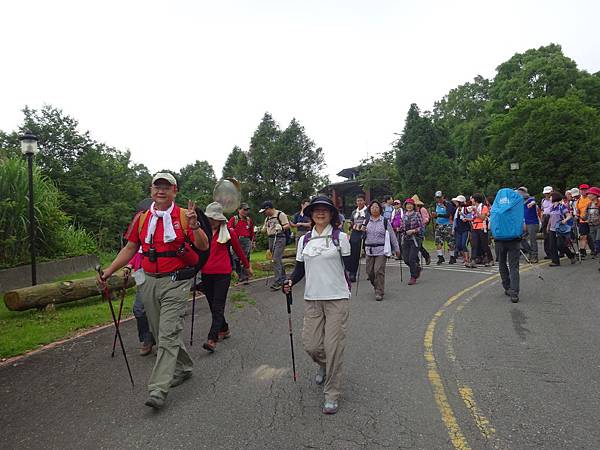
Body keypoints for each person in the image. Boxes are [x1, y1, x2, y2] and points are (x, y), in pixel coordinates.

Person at [98, 172, 210, 409]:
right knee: (161, 333)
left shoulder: (183, 215)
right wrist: (109, 271)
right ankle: (185, 366)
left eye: (166, 187)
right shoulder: (142, 218)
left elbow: (203, 246)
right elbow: (130, 248)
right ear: (151, 191)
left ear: (174, 191)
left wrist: (195, 225)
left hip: (175, 281)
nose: (161, 191)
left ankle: (158, 389)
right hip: (147, 281)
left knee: (168, 333)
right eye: (157, 187)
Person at [283, 196, 351, 415]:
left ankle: (331, 393)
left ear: (332, 214)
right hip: (312, 299)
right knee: (311, 345)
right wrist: (291, 280)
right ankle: (323, 364)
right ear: (310, 215)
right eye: (316, 210)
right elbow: (300, 269)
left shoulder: (341, 237)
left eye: (325, 210)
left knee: (333, 347)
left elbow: (350, 267)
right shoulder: (304, 241)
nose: (320, 213)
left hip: (337, 298)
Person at [201, 202, 253, 352]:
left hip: (223, 273)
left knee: (218, 305)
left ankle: (212, 339)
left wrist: (247, 266)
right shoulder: (202, 233)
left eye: (214, 218)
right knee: (212, 305)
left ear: (220, 220)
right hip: (206, 273)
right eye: (209, 218)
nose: (211, 221)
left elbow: (238, 250)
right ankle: (224, 328)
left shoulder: (228, 232)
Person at [490, 189, 525, 303]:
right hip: (514, 239)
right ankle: (514, 292)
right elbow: (522, 225)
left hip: (499, 240)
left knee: (502, 263)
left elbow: (491, 224)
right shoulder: (516, 204)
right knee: (514, 266)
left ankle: (507, 287)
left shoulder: (495, 207)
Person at [363, 200, 400, 300]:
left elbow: (392, 235)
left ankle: (379, 291)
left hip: (381, 250)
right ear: (369, 209)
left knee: (378, 270)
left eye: (376, 207)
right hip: (369, 249)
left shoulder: (384, 221)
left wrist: (397, 248)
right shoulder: (366, 221)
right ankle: (376, 285)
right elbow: (361, 234)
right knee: (369, 272)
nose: (374, 209)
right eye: (372, 207)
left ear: (380, 209)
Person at [260, 200, 290, 291]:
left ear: (268, 208)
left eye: (265, 211)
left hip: (279, 238)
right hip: (271, 238)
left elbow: (287, 225)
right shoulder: (267, 218)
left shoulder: (280, 214)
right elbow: (265, 228)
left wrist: (281, 227)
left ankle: (278, 281)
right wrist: (261, 230)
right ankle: (284, 278)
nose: (264, 213)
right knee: (277, 260)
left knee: (275, 259)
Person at [227, 203, 255, 285]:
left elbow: (251, 232)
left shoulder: (249, 220)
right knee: (236, 258)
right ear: (239, 210)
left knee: (246, 258)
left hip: (246, 240)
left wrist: (253, 242)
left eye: (247, 210)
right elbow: (229, 229)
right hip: (237, 240)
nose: (246, 211)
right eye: (244, 209)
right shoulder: (234, 219)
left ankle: (245, 276)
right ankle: (240, 275)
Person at [398, 198, 424, 285]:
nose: (409, 206)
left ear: (413, 206)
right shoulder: (404, 215)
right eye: (407, 204)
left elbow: (422, 227)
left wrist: (414, 231)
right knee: (406, 259)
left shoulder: (417, 214)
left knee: (412, 259)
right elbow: (402, 226)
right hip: (405, 238)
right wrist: (399, 229)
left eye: (410, 204)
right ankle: (416, 269)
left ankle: (413, 276)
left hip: (415, 238)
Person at [547, 192, 577, 266]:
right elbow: (551, 218)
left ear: (555, 197)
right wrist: (548, 226)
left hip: (560, 229)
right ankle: (555, 261)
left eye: (551, 197)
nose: (550, 198)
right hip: (552, 229)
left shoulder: (561, 206)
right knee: (552, 245)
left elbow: (569, 215)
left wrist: (565, 220)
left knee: (560, 245)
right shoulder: (551, 208)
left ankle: (571, 255)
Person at [347, 194, 369, 282]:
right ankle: (353, 273)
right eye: (358, 201)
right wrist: (351, 225)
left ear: (364, 201)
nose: (359, 202)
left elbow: (368, 221)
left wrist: (362, 227)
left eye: (361, 200)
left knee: (368, 253)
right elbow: (351, 221)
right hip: (355, 233)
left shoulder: (368, 211)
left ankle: (370, 272)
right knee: (354, 253)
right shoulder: (354, 212)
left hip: (366, 233)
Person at [431, 191, 456, 265]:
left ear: (443, 197)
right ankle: (440, 257)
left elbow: (448, 214)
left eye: (439, 197)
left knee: (450, 242)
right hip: (439, 224)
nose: (438, 199)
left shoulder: (448, 204)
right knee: (438, 241)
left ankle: (452, 257)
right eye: (437, 198)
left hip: (447, 224)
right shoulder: (437, 204)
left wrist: (437, 215)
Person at [517, 187, 540, 263]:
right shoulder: (520, 202)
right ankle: (530, 252)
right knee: (521, 238)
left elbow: (533, 202)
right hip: (525, 223)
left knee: (533, 240)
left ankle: (535, 256)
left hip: (532, 223)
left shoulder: (530, 199)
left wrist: (531, 204)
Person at [470, 193, 491, 266]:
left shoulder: (484, 207)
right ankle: (473, 260)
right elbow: (473, 218)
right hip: (475, 227)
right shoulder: (473, 207)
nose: (471, 200)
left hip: (482, 227)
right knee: (474, 244)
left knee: (484, 244)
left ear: (475, 199)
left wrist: (476, 211)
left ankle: (490, 259)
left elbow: (482, 217)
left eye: (472, 198)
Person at [451, 195, 473, 268]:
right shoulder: (457, 209)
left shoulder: (466, 209)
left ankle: (467, 259)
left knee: (464, 244)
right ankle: (464, 258)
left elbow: (470, 217)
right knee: (458, 245)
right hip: (458, 229)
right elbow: (455, 220)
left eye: (457, 202)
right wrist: (453, 229)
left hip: (465, 229)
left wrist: (464, 216)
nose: (455, 203)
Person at [412, 194, 431, 265]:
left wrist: (420, 224)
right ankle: (416, 261)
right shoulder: (412, 211)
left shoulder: (422, 209)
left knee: (418, 245)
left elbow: (426, 219)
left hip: (420, 229)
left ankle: (426, 256)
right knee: (414, 245)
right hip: (413, 230)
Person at [575, 183, 592, 258]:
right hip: (582, 221)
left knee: (591, 237)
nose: (583, 191)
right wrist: (577, 215)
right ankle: (582, 251)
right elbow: (578, 211)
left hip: (592, 220)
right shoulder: (579, 201)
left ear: (588, 190)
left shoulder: (591, 198)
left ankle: (594, 250)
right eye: (582, 190)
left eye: (585, 189)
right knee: (583, 236)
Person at [585, 187, 600, 261]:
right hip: (591, 225)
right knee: (594, 241)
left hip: (599, 225)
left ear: (595, 195)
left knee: (598, 240)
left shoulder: (599, 203)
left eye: (589, 194)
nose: (588, 195)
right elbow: (585, 215)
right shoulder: (589, 204)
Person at [540, 186, 554, 259]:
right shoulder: (543, 200)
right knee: (546, 236)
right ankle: (548, 253)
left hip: (552, 217)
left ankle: (554, 252)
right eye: (545, 193)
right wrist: (541, 219)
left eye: (548, 193)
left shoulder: (554, 200)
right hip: (545, 217)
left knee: (552, 235)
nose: (547, 195)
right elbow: (542, 210)